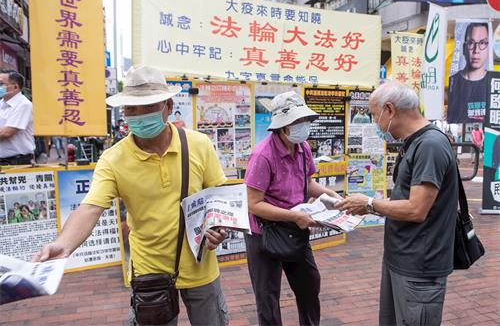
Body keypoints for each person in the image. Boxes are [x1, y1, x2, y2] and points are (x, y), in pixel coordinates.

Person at [32, 66, 230, 326]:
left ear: (168, 106)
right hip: (149, 272)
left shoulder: (198, 144)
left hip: (200, 265)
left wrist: (217, 227)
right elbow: (90, 207)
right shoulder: (113, 159)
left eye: (146, 107)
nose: (136, 116)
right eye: (130, 108)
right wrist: (64, 244)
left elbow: (217, 195)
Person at [337, 81, 458, 326]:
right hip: (402, 258)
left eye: (374, 114)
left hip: (419, 267)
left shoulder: (430, 146)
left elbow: (416, 209)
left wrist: (370, 204)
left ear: (390, 110)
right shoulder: (414, 142)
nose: (374, 122)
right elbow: (406, 199)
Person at [244, 91, 343, 326]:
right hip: (264, 232)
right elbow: (253, 204)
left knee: (309, 285)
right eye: (296, 122)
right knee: (267, 298)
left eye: (304, 120)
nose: (302, 126)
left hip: (295, 227)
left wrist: (332, 196)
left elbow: (307, 183)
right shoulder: (262, 155)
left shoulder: (303, 148)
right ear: (282, 126)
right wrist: (294, 216)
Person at [448, 22, 489, 123]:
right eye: (471, 43)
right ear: (463, 48)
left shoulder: (494, 83)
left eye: (483, 43)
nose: (476, 50)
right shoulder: (453, 81)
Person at [0, 70, 35, 165]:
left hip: (18, 161)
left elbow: (7, 132)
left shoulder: (24, 105)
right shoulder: (1, 103)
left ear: (15, 87)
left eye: (1, 83)